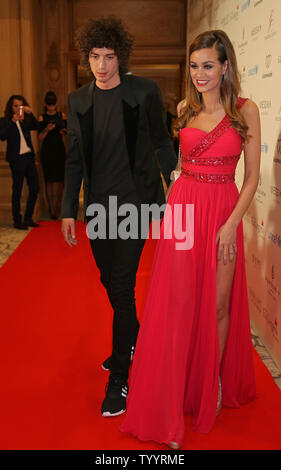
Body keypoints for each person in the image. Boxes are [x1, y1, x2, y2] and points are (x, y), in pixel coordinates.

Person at [121, 30, 260, 449]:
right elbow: (180, 168)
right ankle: (173, 392)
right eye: (195, 66)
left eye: (208, 66)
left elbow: (251, 177)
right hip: (185, 207)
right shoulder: (184, 108)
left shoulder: (245, 111)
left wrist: (231, 223)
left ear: (225, 67)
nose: (200, 74)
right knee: (178, 304)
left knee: (218, 305)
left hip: (224, 212)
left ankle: (210, 385)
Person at [61, 17, 176, 418]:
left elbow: (162, 143)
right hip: (97, 208)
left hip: (134, 205)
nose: (102, 65)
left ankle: (119, 379)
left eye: (109, 57)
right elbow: (75, 159)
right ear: (86, 57)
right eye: (95, 56)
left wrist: (169, 198)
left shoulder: (143, 91)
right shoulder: (77, 101)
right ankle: (137, 338)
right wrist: (65, 212)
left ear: (120, 57)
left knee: (123, 288)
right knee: (108, 280)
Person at [0, 95, 40, 229]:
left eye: (20, 106)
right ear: (11, 107)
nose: (18, 109)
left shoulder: (25, 120)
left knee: (35, 188)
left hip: (29, 157)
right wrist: (12, 121)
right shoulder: (5, 120)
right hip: (16, 159)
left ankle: (28, 217)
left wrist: (30, 113)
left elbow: (36, 126)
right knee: (17, 190)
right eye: (15, 106)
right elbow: (2, 136)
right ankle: (17, 220)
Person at [38, 91, 66, 220]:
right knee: (48, 181)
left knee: (61, 181)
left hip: (60, 151)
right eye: (49, 104)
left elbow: (69, 133)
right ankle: (51, 210)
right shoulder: (42, 118)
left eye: (53, 104)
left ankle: (59, 207)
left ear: (56, 104)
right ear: (46, 104)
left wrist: (63, 132)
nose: (51, 107)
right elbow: (40, 138)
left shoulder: (62, 115)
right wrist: (46, 129)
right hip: (47, 152)